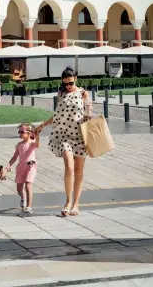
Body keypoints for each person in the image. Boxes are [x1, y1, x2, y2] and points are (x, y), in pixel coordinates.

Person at [38, 67, 92, 217]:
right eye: (65, 83)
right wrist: (43, 125)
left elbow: (89, 115)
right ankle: (68, 201)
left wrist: (87, 101)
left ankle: (76, 204)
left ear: (76, 79)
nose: (68, 86)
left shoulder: (83, 94)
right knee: (69, 167)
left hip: (80, 136)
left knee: (79, 171)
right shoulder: (61, 93)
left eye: (71, 83)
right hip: (63, 136)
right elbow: (57, 115)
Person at [6, 123, 40, 214]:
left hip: (30, 165)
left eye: (22, 132)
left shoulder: (32, 143)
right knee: (19, 189)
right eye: (19, 132)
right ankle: (23, 197)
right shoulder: (19, 145)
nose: (19, 134)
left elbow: (38, 145)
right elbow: (14, 157)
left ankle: (29, 207)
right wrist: (8, 165)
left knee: (28, 184)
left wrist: (37, 136)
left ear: (29, 133)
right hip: (21, 167)